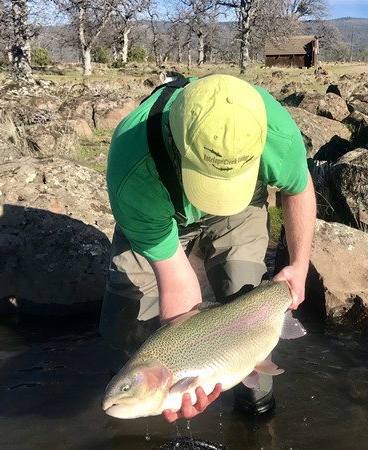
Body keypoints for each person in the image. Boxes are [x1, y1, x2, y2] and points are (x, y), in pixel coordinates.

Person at [100, 73, 316, 422]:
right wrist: (177, 369)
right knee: (127, 326)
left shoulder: (275, 131)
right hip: (158, 208)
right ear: (175, 139)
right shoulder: (131, 167)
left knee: (246, 298)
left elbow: (298, 188)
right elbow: (178, 286)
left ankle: (256, 411)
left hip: (241, 206)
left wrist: (300, 265)